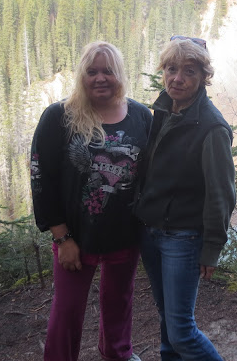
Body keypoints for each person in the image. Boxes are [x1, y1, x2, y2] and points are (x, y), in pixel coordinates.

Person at [31, 41, 152, 361]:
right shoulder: (60, 117)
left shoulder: (141, 116)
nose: (100, 78)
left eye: (108, 71)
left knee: (119, 302)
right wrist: (62, 238)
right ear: (81, 76)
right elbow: (41, 178)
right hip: (75, 237)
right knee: (67, 310)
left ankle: (117, 354)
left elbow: (152, 174)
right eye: (92, 71)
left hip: (125, 234)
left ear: (119, 74)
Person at [134, 35, 236, 361]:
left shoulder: (212, 127)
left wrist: (212, 247)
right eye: (171, 69)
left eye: (189, 71)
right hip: (151, 231)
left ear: (204, 77)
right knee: (167, 319)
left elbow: (221, 193)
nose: (177, 78)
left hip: (183, 237)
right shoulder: (165, 109)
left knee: (181, 331)